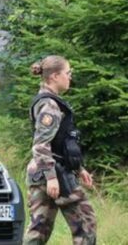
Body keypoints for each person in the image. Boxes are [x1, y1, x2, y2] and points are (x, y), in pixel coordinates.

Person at [23, 55, 97, 245]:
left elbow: (61, 141)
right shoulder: (49, 106)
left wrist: (79, 169)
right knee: (86, 222)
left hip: (45, 172)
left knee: (39, 230)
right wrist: (51, 177)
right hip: (53, 173)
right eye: (67, 73)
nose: (69, 77)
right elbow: (40, 144)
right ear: (55, 76)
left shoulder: (52, 102)